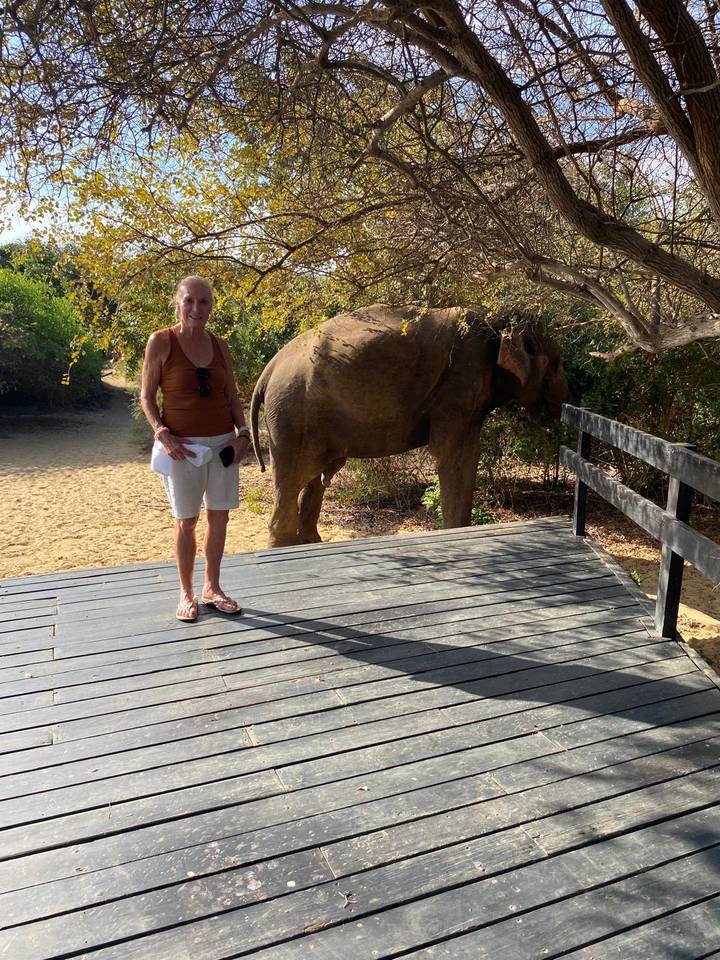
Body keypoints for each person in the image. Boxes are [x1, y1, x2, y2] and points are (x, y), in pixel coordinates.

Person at [140, 276, 251, 622]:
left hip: (223, 446)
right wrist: (161, 431)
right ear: (177, 302)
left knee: (220, 517)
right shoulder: (161, 342)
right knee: (186, 520)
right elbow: (147, 397)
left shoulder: (220, 346)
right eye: (189, 301)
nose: (196, 309)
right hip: (182, 448)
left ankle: (212, 588)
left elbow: (231, 396)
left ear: (212, 306)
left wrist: (243, 434)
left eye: (204, 302)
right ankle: (186, 593)